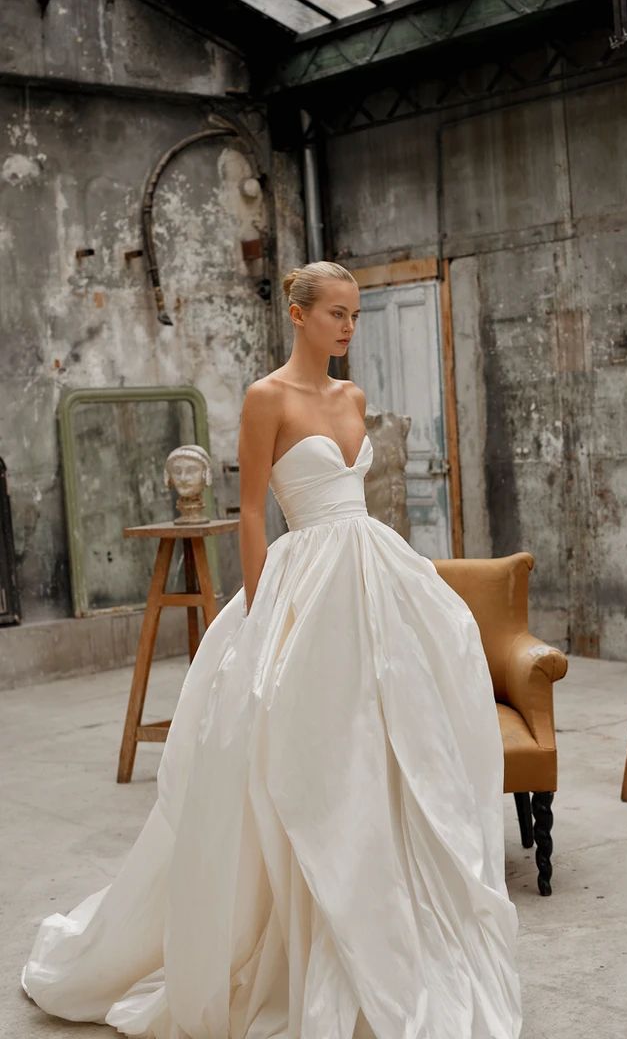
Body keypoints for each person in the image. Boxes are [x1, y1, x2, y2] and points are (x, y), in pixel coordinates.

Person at [21, 260, 522, 1039]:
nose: (349, 328)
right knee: (306, 749)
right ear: (299, 314)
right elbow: (251, 512)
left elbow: (358, 497)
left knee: (391, 742)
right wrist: (258, 613)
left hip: (373, 573)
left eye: (356, 314)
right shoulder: (267, 398)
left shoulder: (352, 398)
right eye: (337, 314)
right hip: (305, 578)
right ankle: (299, 934)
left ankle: (391, 918)